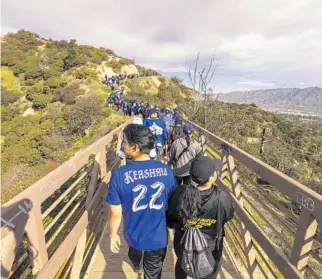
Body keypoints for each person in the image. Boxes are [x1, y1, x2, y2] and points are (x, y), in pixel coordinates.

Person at [107, 124, 177, 279]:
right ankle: (142, 268)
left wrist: (112, 235)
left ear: (135, 147)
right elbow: (173, 201)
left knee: (135, 257)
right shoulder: (166, 170)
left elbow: (115, 212)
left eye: (125, 142)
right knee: (153, 272)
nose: (123, 146)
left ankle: (138, 267)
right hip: (158, 236)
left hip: (134, 235)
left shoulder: (119, 175)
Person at [167, 156, 234, 279]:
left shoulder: (178, 193)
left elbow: (170, 221)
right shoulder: (222, 198)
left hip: (183, 243)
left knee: (182, 264)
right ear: (212, 177)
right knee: (210, 271)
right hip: (210, 246)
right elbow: (227, 216)